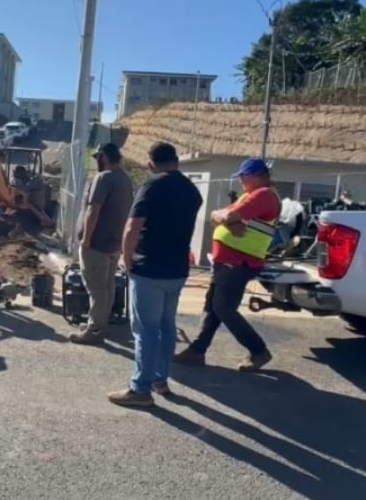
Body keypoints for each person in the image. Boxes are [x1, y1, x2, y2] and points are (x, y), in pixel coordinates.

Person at [108, 142, 203, 408]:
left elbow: (132, 228)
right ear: (177, 160)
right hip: (177, 269)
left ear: (151, 164)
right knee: (166, 326)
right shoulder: (191, 190)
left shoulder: (151, 186)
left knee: (145, 330)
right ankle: (160, 380)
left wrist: (127, 261)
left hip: (149, 268)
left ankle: (140, 388)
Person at [175, 158, 280, 371]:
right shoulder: (251, 195)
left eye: (243, 176)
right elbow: (217, 216)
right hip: (229, 261)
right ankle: (197, 350)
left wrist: (228, 218)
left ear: (256, 176)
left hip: (240, 261)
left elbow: (228, 214)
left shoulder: (263, 195)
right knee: (214, 305)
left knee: (223, 307)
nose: (240, 180)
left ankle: (258, 350)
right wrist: (225, 218)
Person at [69, 143, 134, 345]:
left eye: (98, 156)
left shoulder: (104, 178)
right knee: (107, 287)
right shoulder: (124, 179)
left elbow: (93, 211)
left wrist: (86, 239)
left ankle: (95, 330)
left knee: (96, 288)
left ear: (104, 157)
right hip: (113, 244)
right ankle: (99, 324)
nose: (96, 160)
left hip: (97, 244)